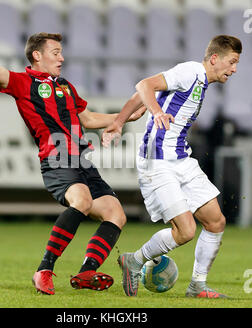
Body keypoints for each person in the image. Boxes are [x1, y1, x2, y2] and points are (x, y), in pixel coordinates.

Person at [0, 12, 145, 295]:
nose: (61, 58)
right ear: (37, 56)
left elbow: (87, 119)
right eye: (55, 52)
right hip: (55, 159)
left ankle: (87, 271)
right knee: (82, 200)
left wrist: (124, 118)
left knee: (116, 214)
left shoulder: (65, 86)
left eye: (61, 53)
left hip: (81, 161)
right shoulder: (23, 82)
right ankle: (44, 269)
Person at [102, 35, 242, 298]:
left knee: (215, 221)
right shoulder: (190, 71)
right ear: (215, 58)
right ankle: (134, 260)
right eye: (232, 62)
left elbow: (143, 93)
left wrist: (120, 121)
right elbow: (144, 85)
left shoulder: (201, 81)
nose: (234, 69)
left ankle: (197, 286)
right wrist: (155, 112)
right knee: (186, 231)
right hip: (158, 160)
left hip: (180, 158)